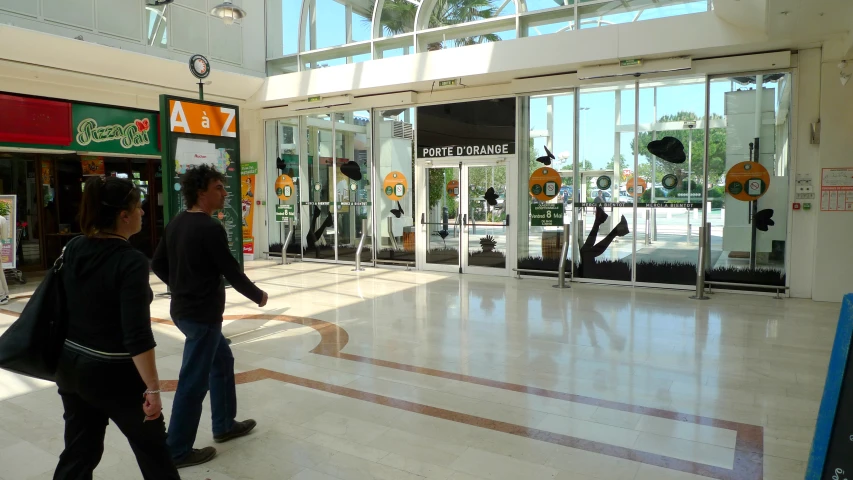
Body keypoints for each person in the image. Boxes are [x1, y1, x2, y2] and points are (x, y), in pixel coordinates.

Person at [53, 176, 180, 480]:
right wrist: (152, 388)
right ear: (124, 216)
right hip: (114, 374)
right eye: (138, 208)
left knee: (79, 452)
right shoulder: (131, 262)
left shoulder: (73, 248)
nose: (143, 213)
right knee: (154, 453)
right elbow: (136, 335)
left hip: (70, 367)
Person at [152, 164, 268, 468]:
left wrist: (179, 287)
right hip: (202, 316)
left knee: (222, 361)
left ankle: (224, 424)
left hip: (184, 310)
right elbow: (230, 270)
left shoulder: (177, 223)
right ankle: (176, 449)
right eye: (219, 187)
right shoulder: (209, 228)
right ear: (202, 191)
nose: (225, 192)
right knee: (193, 381)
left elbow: (158, 264)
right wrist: (258, 296)